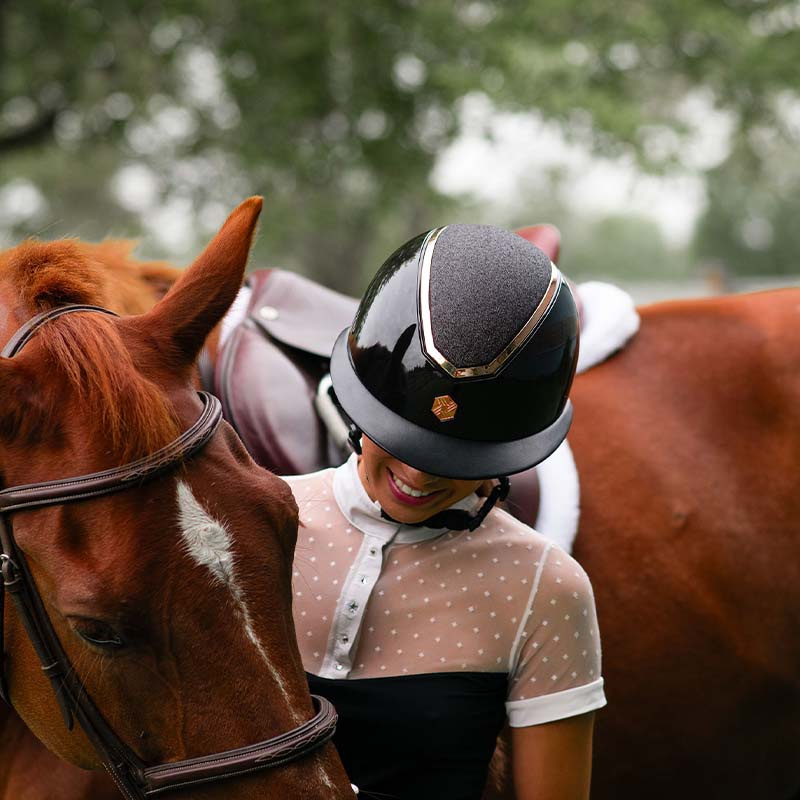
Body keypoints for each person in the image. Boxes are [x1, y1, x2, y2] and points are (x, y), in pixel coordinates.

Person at [286, 224, 605, 800]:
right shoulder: (260, 521)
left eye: (457, 459)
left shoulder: (547, 588)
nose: (417, 475)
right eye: (399, 441)